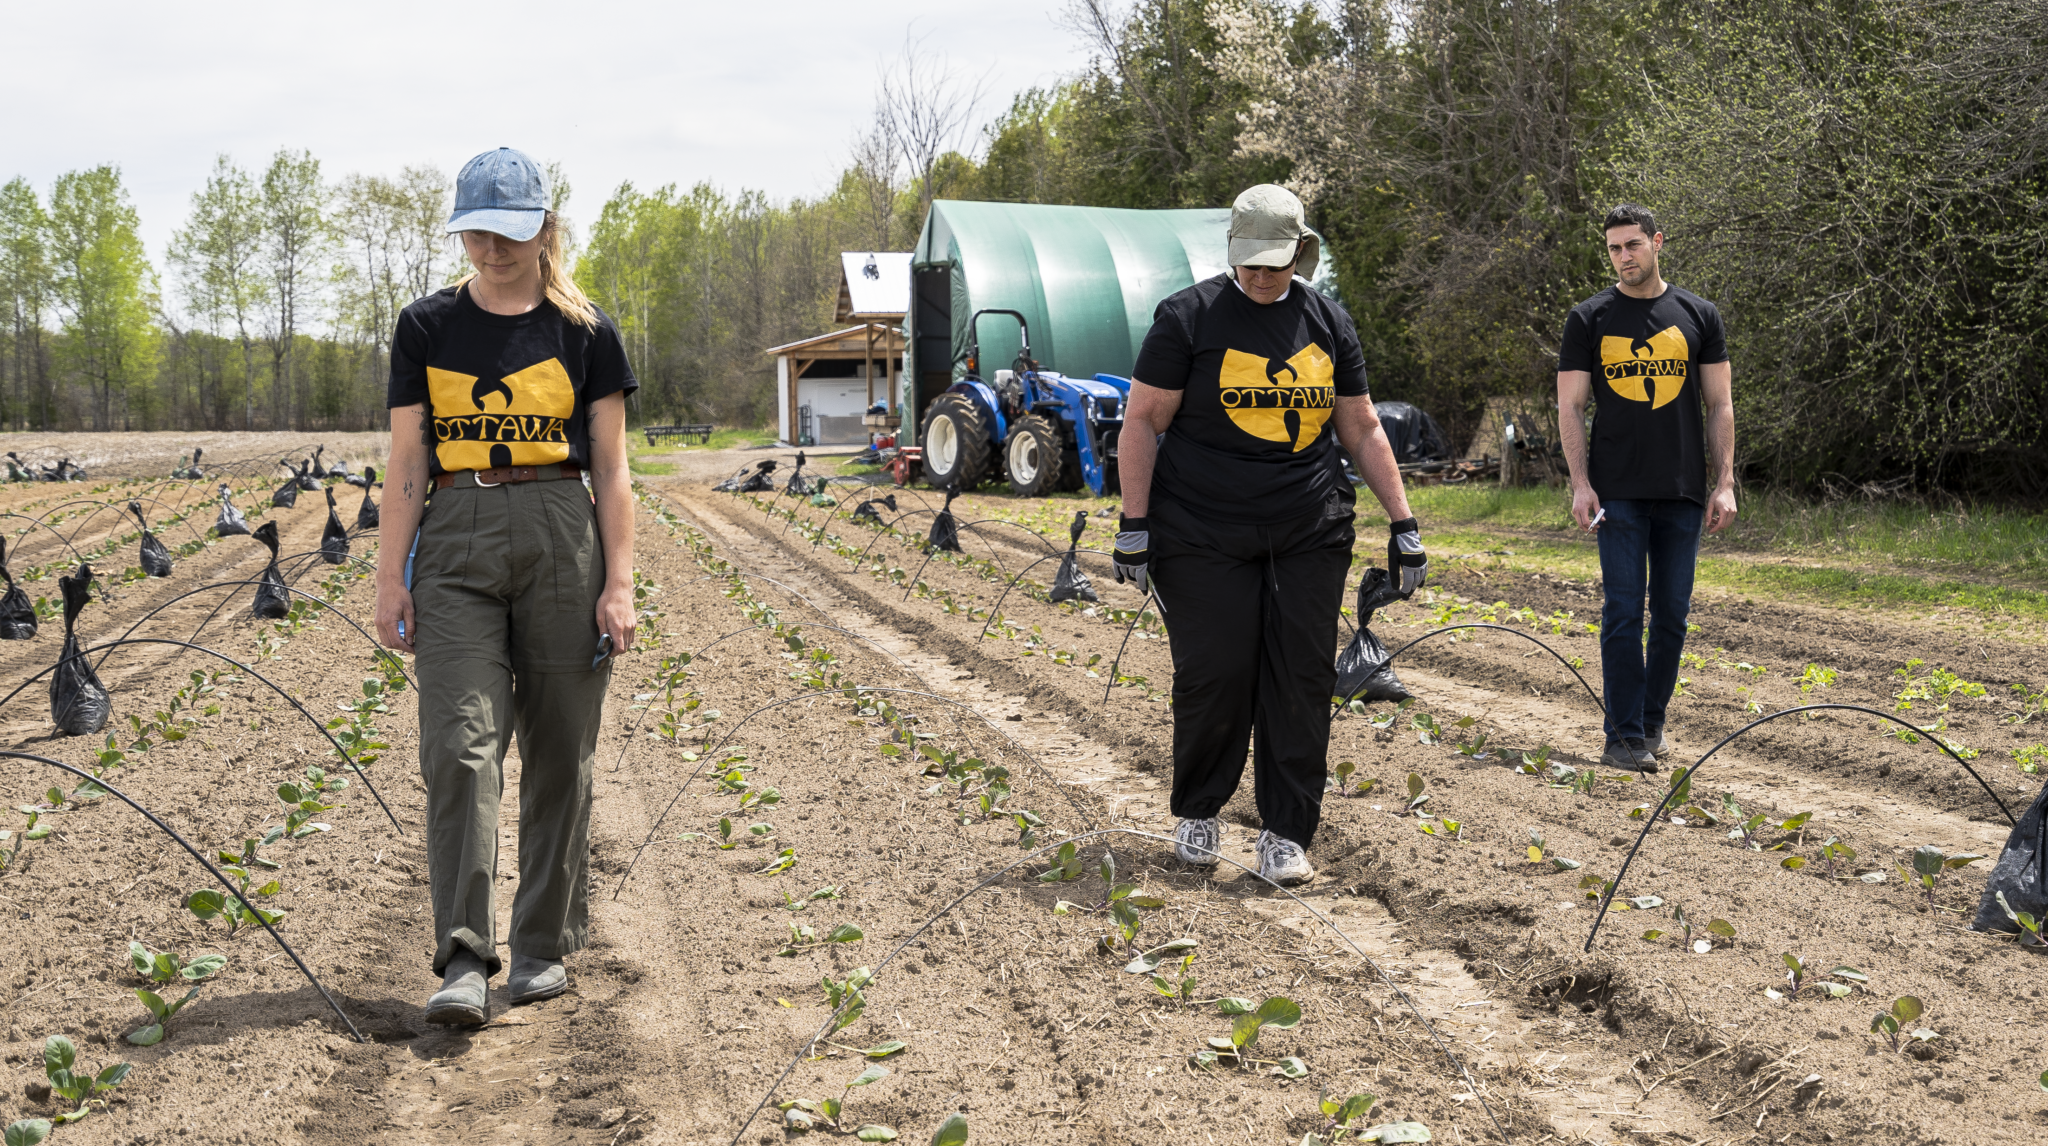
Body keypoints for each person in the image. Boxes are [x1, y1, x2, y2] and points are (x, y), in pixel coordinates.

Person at [374, 147, 638, 1025]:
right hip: (456, 538)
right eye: (476, 232)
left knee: (561, 747)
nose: (491, 249)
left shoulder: (585, 330)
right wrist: (390, 578)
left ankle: (539, 946)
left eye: (509, 232)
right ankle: (461, 954)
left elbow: (613, 467)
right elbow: (407, 460)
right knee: (459, 745)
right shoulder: (426, 326)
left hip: (564, 531)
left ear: (545, 229)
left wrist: (620, 582)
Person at [1113, 184, 1427, 887]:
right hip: (1200, 530)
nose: (1260, 277)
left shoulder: (1327, 321)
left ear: (1300, 253)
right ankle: (1199, 809)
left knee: (1301, 679)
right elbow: (1142, 422)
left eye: (1275, 264)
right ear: (1232, 250)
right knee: (1215, 672)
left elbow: (1361, 426)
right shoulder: (1187, 319)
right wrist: (1135, 525)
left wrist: (1404, 523)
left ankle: (1285, 833)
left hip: (1307, 527)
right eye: (1248, 263)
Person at [1556, 203, 1736, 774]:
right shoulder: (1588, 319)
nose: (1624, 256)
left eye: (1633, 244)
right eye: (1614, 248)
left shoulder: (1698, 315)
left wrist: (1725, 481)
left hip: (1683, 488)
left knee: (1674, 615)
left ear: (1657, 242)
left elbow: (1720, 404)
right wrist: (1581, 483)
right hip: (1617, 492)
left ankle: (1651, 725)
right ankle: (1622, 736)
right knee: (1623, 610)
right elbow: (1571, 405)